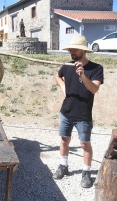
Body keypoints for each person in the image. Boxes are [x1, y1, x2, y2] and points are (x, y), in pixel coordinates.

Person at [52, 35, 104, 188]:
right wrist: (63, 87)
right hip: (66, 111)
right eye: (70, 50)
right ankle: (63, 166)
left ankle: (86, 172)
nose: (71, 52)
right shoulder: (67, 66)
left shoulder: (96, 68)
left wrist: (82, 75)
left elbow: (94, 89)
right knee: (64, 140)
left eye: (74, 50)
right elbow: (57, 76)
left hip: (83, 114)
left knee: (84, 144)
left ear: (83, 50)